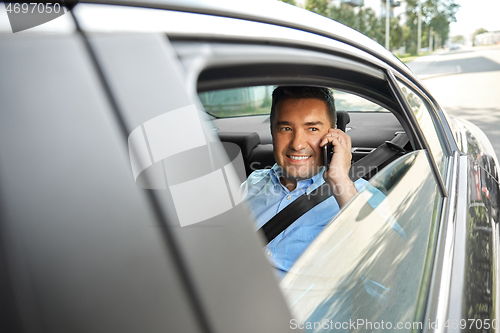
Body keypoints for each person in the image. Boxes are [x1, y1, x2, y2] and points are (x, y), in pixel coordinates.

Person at [241, 86, 372, 273]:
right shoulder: (253, 183)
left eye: (312, 129)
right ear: (272, 132)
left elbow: (394, 266)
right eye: (286, 128)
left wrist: (341, 182)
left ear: (333, 136)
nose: (297, 144)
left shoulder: (358, 195)